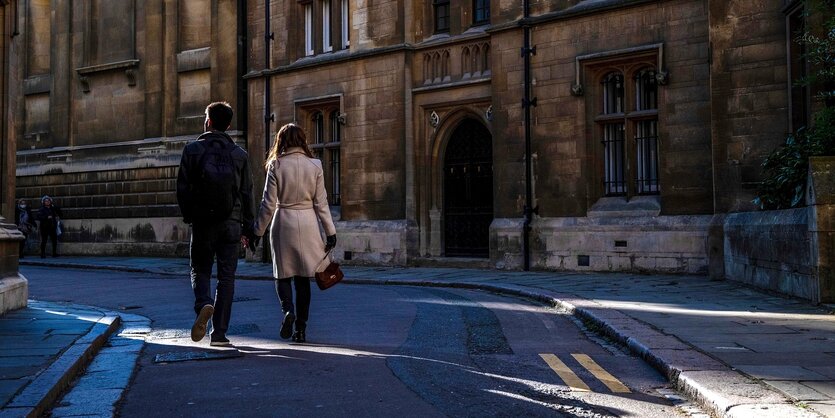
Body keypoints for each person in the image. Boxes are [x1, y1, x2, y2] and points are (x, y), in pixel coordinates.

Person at [176, 101, 255, 347]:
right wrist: (248, 228)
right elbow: (247, 193)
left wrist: (190, 215)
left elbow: (182, 189)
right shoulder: (239, 155)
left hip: (203, 223)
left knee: (199, 269)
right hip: (231, 223)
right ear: (228, 125)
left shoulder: (192, 150)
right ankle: (219, 334)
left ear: (208, 121)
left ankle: (203, 304)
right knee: (226, 278)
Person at [253, 123, 337, 343]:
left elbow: (268, 204)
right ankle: (301, 328)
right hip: (308, 222)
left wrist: (257, 231)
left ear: (281, 141)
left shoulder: (276, 165)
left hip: (283, 222)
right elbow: (322, 203)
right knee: (303, 279)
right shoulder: (315, 164)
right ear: (302, 140)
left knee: (282, 274)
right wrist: (330, 232)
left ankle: (287, 311)